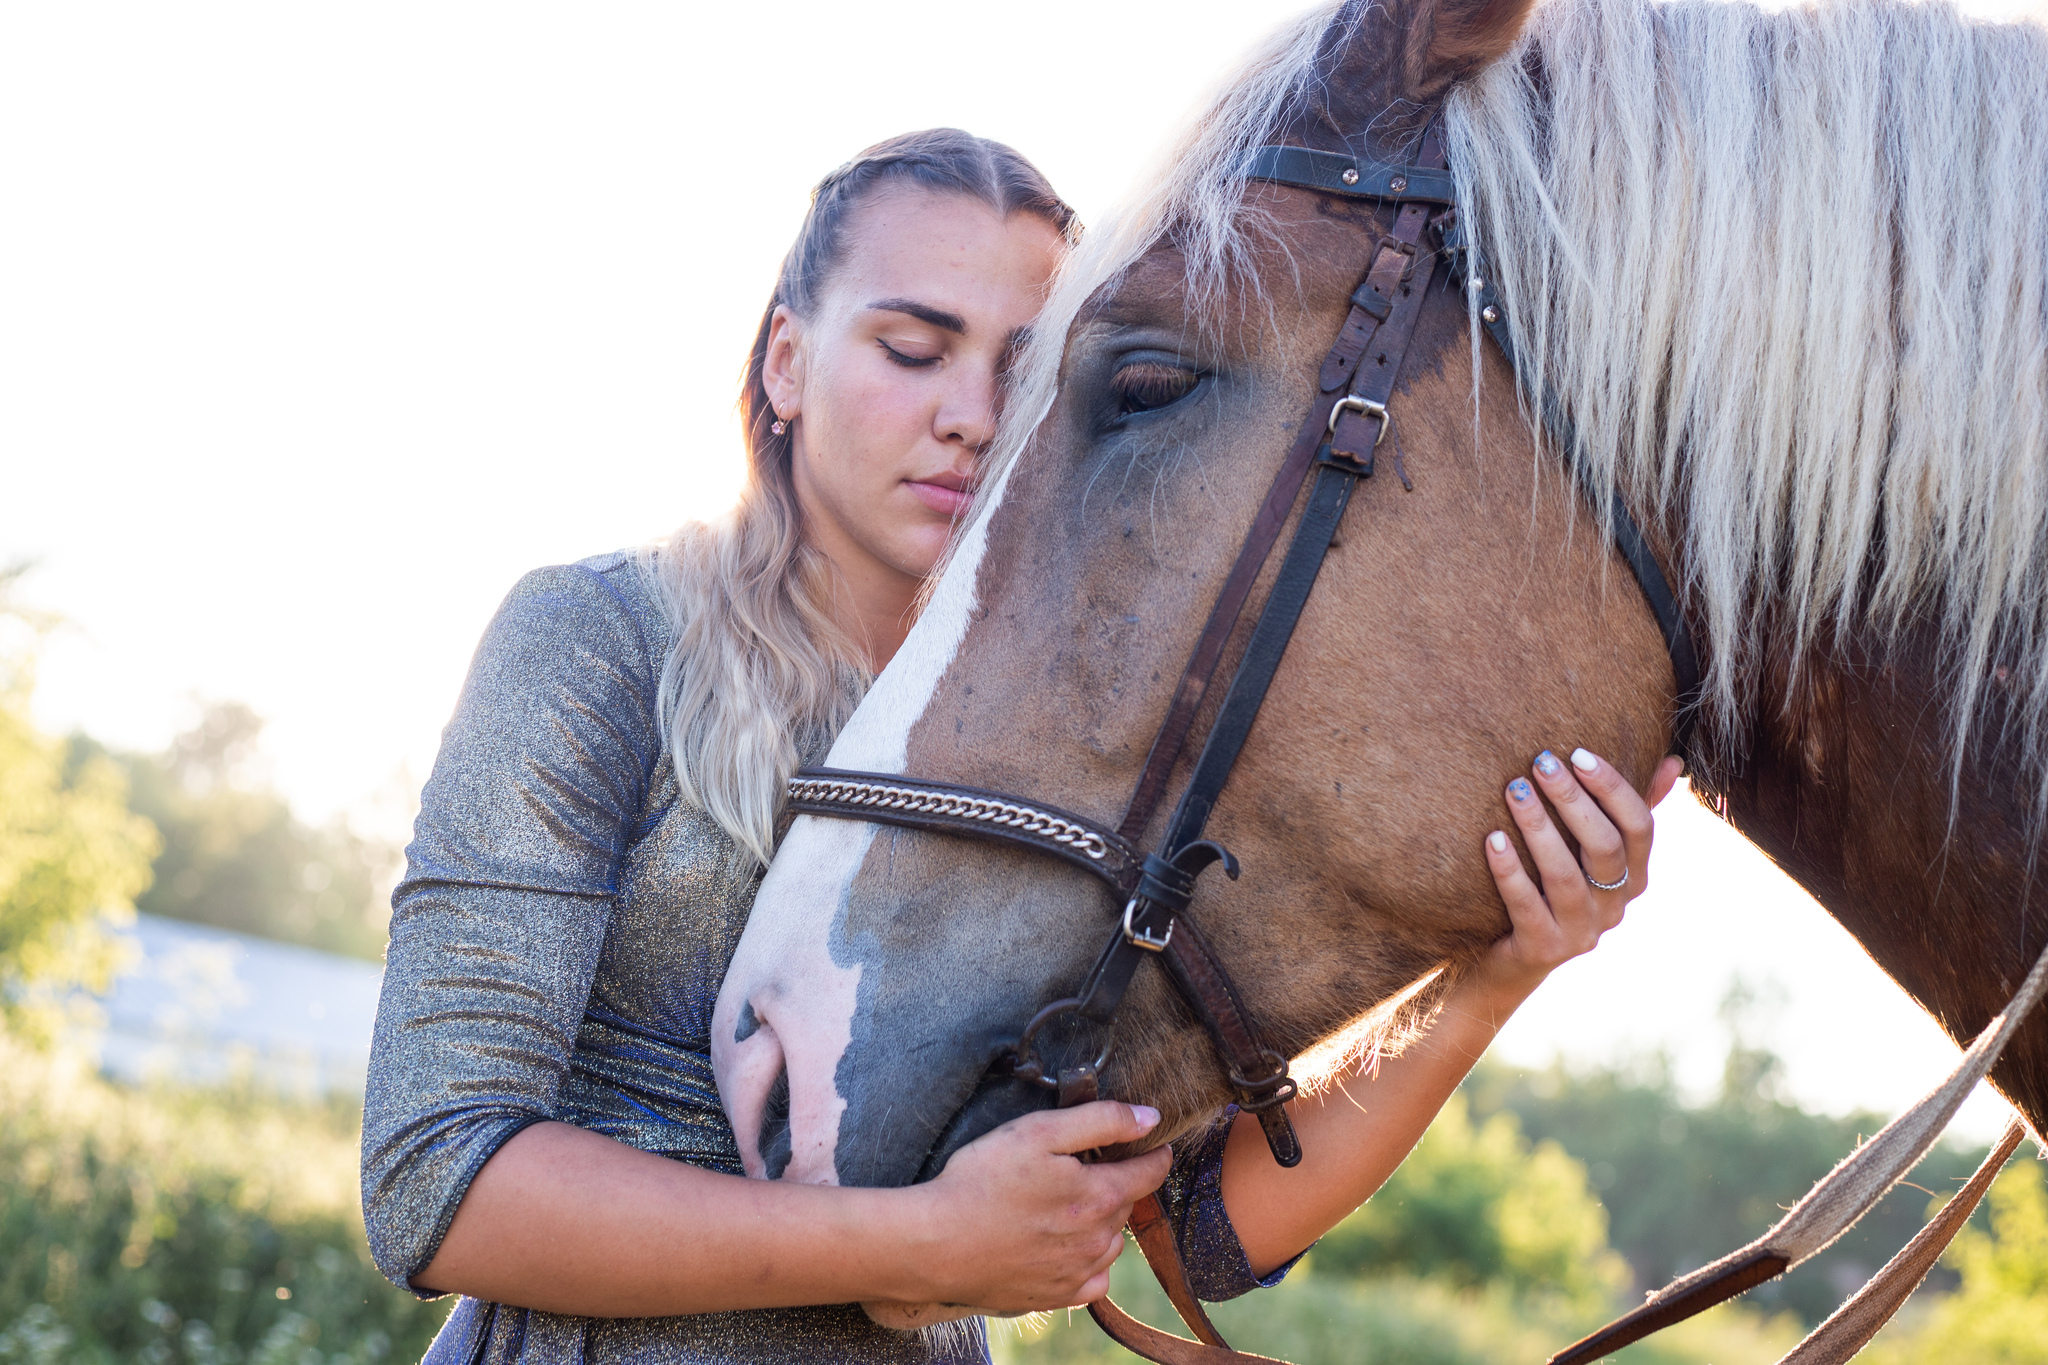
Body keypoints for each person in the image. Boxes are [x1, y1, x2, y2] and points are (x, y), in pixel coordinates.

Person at [360, 127, 1681, 1364]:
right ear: (783, 363)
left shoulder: (1077, 740)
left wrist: (1498, 973)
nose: (972, 413)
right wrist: (915, 1239)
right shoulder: (603, 637)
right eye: (913, 346)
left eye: (1023, 365)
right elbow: (437, 1174)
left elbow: (1204, 1231)